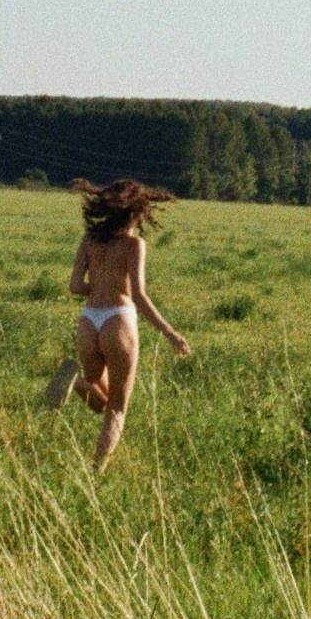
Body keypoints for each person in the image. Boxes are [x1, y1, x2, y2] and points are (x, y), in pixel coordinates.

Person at [44, 177, 189, 467]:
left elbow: (74, 286)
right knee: (117, 410)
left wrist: (97, 289)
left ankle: (76, 385)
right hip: (118, 322)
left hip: (88, 322)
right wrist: (171, 334)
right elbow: (139, 296)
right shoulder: (134, 245)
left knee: (100, 399)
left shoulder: (89, 241)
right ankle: (96, 471)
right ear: (136, 212)